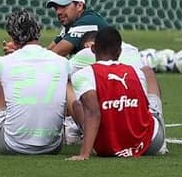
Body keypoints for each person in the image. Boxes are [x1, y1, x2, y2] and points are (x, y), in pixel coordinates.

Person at [0, 8, 71, 155]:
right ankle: (72, 128)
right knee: (66, 83)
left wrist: (11, 56)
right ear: (38, 31)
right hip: (53, 146)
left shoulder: (5, 62)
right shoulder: (62, 62)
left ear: (13, 36)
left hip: (13, 145)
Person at [67, 26, 165, 160]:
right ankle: (163, 145)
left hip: (106, 147)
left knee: (78, 105)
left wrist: (84, 154)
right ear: (119, 52)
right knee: (148, 75)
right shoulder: (136, 72)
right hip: (150, 143)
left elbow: (93, 113)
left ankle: (76, 134)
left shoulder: (83, 74)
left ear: (93, 49)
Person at [46, 0, 111, 57]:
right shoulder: (71, 25)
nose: (58, 12)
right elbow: (49, 50)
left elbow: (54, 55)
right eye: (56, 8)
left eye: (63, 6)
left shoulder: (87, 21)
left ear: (79, 6)